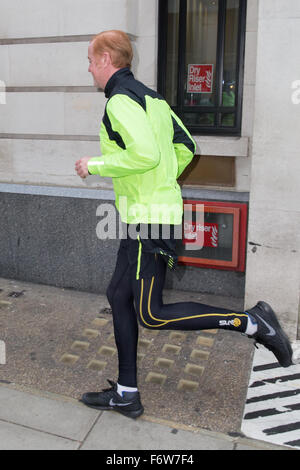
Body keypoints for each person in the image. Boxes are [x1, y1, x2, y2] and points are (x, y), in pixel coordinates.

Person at [75, 30, 293, 420]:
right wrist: (160, 178)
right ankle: (126, 394)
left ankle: (250, 321)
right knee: (118, 295)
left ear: (107, 59)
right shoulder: (152, 98)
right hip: (145, 214)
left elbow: (143, 153)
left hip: (147, 219)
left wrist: (95, 165)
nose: (89, 68)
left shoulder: (120, 102)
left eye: (91, 61)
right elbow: (186, 144)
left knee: (152, 313)